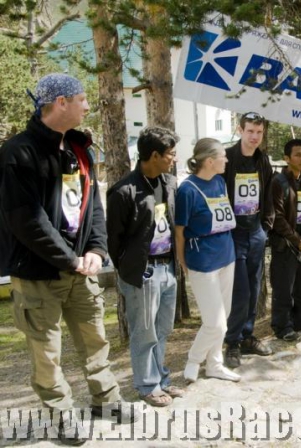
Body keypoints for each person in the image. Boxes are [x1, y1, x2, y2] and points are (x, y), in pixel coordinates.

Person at [0, 73, 133, 445]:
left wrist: (95, 250)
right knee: (48, 354)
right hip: (39, 275)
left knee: (96, 342)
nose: (88, 105)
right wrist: (69, 259)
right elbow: (26, 220)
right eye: (82, 98)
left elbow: (93, 209)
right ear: (60, 102)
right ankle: (61, 417)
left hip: (82, 270)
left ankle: (107, 401)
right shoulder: (18, 153)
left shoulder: (80, 149)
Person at [107, 127, 184, 407]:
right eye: (170, 154)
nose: (173, 159)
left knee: (162, 329)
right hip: (143, 273)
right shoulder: (123, 191)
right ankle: (147, 385)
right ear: (154, 155)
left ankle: (161, 379)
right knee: (144, 331)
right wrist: (131, 269)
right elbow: (113, 242)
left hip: (167, 268)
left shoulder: (170, 183)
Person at [175, 138, 240, 383]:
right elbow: (179, 231)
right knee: (215, 322)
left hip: (226, 255)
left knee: (225, 313)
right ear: (210, 161)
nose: (227, 159)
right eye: (223, 156)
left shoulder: (220, 181)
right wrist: (183, 264)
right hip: (202, 261)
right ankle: (194, 360)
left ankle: (215, 364)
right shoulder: (187, 190)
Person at [222, 112, 274, 369]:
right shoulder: (227, 158)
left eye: (259, 132)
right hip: (234, 234)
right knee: (240, 291)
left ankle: (247, 336)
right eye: (250, 131)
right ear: (240, 130)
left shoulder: (262, 159)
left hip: (256, 232)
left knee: (254, 288)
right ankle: (231, 341)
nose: (255, 137)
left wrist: (265, 227)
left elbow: (268, 194)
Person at [269, 139, 301, 341]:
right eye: (297, 155)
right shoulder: (278, 182)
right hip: (286, 244)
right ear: (286, 158)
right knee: (283, 286)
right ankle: (282, 326)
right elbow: (277, 218)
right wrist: (297, 240)